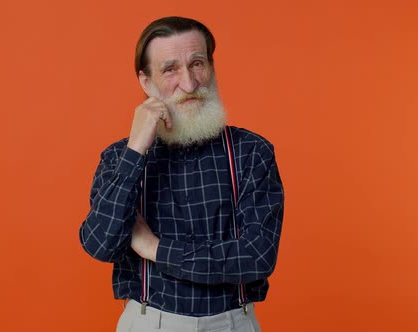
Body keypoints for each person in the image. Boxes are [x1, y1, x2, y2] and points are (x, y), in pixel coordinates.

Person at [79, 16, 284, 332]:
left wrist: (155, 248)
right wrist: (135, 150)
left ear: (211, 68)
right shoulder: (119, 157)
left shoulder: (252, 152)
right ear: (146, 82)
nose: (189, 84)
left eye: (197, 64)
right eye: (170, 69)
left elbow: (256, 257)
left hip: (232, 323)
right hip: (149, 323)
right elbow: (100, 244)